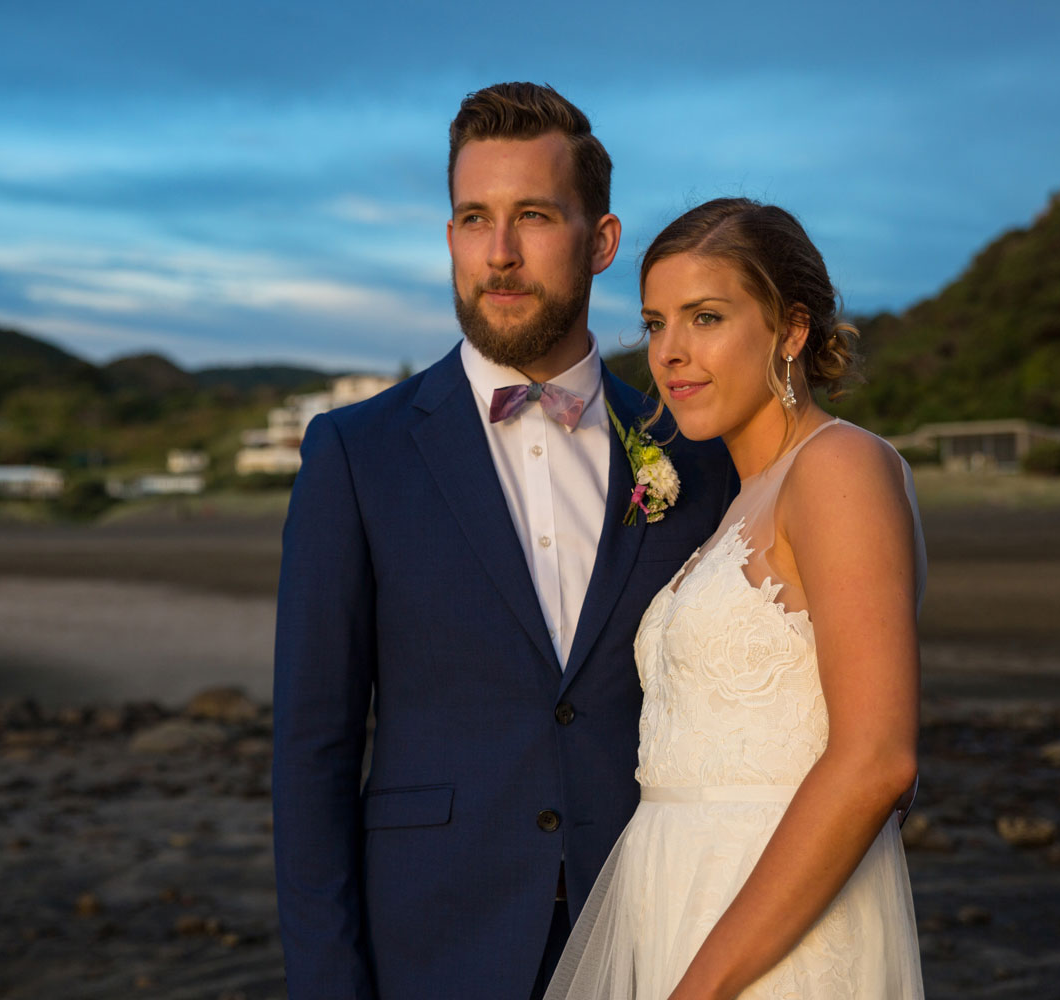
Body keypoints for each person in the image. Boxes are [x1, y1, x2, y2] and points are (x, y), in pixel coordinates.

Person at [271, 84, 735, 1000]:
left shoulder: (697, 456)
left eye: (533, 216)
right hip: (436, 945)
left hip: (657, 935)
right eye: (473, 218)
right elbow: (312, 751)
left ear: (601, 241)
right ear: (449, 236)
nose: (500, 253)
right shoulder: (354, 455)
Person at [544, 199, 927, 999]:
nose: (670, 354)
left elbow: (877, 759)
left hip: (768, 942)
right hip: (677, 906)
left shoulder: (840, 468)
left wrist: (701, 988)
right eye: (654, 324)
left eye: (705, 317)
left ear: (791, 331)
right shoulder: (740, 497)